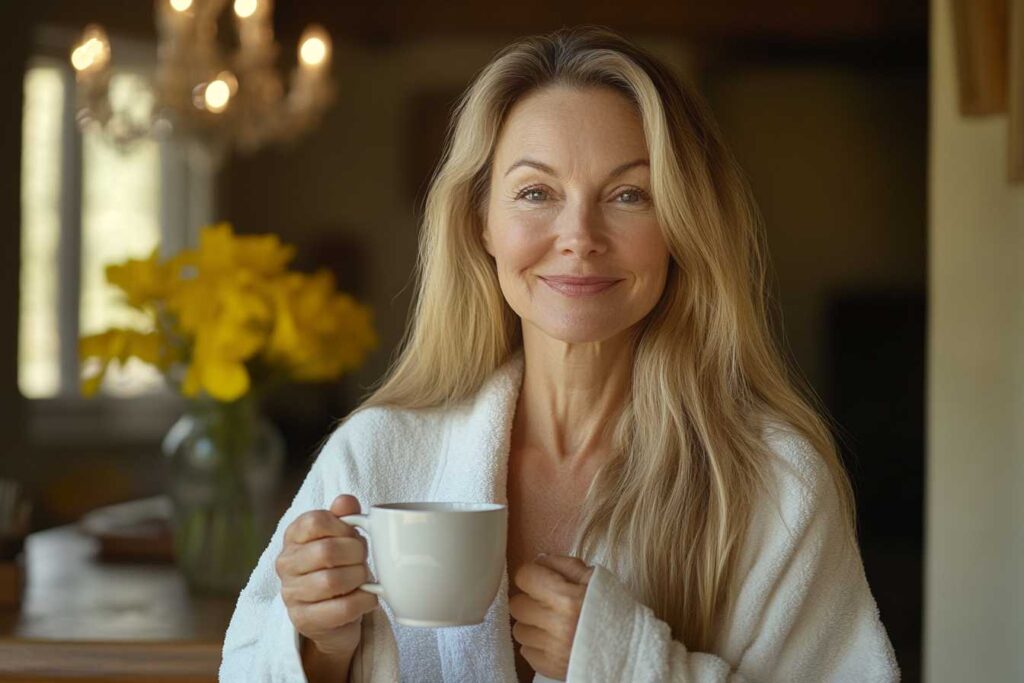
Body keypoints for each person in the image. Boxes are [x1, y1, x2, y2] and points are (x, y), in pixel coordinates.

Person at [220, 26, 900, 682]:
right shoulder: (375, 453)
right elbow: (250, 666)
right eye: (536, 192)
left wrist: (628, 662)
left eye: (629, 194)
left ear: (683, 225)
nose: (579, 235)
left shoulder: (773, 483)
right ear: (480, 220)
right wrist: (319, 647)